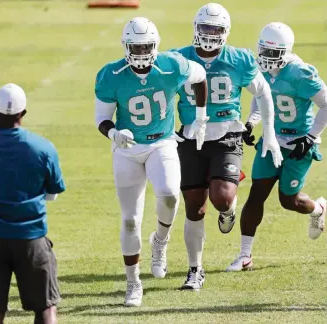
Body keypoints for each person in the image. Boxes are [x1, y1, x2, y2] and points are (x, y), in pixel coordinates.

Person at [95, 17, 208, 307]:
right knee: (130, 219)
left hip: (162, 141)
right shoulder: (111, 74)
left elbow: (200, 77)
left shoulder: (172, 65)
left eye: (147, 46)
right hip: (128, 149)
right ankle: (133, 282)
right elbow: (102, 118)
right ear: (125, 46)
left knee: (170, 195)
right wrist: (114, 133)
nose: (142, 52)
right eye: (136, 46)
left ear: (156, 45)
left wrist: (199, 116)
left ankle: (160, 241)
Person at [170, 3, 283, 290]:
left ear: (225, 32)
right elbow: (160, 92)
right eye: (205, 28)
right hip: (191, 138)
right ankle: (195, 270)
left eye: (216, 29)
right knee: (194, 208)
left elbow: (264, 92)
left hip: (226, 138)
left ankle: (227, 209)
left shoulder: (239, 59)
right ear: (196, 28)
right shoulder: (179, 59)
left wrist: (268, 132)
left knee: (221, 198)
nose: (209, 34)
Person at [227, 22, 327, 271]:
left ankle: (319, 208)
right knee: (256, 194)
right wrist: (251, 122)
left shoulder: (300, 74)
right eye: (263, 51)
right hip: (272, 140)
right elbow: (260, 97)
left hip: (298, 143)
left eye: (273, 53)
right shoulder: (259, 69)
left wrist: (312, 136)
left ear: (285, 51)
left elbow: (326, 104)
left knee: (288, 201)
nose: (266, 58)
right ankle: (245, 255)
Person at [0, 83, 65, 324]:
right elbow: (54, 190)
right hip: (30, 236)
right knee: (45, 307)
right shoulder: (42, 147)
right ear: (23, 113)